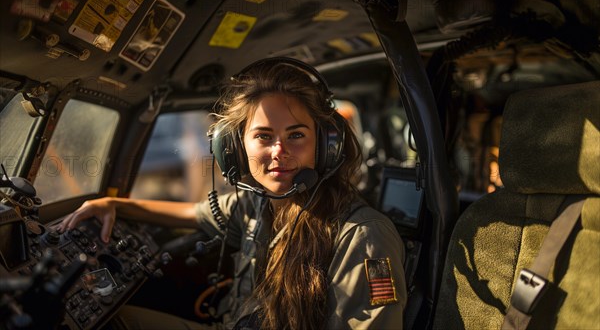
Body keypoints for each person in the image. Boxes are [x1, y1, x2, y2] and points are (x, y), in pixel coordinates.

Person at [58, 57, 407, 329]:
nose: (278, 151)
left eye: (297, 135)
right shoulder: (258, 203)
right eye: (264, 136)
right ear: (235, 149)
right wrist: (112, 203)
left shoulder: (363, 236)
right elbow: (192, 213)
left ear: (327, 145)